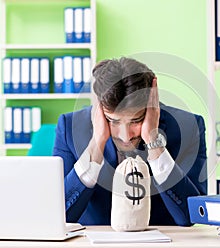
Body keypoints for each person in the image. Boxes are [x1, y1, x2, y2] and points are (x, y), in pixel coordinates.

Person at [53, 57, 207, 226]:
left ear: (151, 103)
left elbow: (190, 216)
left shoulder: (189, 127)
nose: (125, 136)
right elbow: (59, 217)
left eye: (136, 120)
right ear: (99, 104)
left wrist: (154, 142)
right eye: (114, 121)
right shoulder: (69, 127)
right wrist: (96, 143)